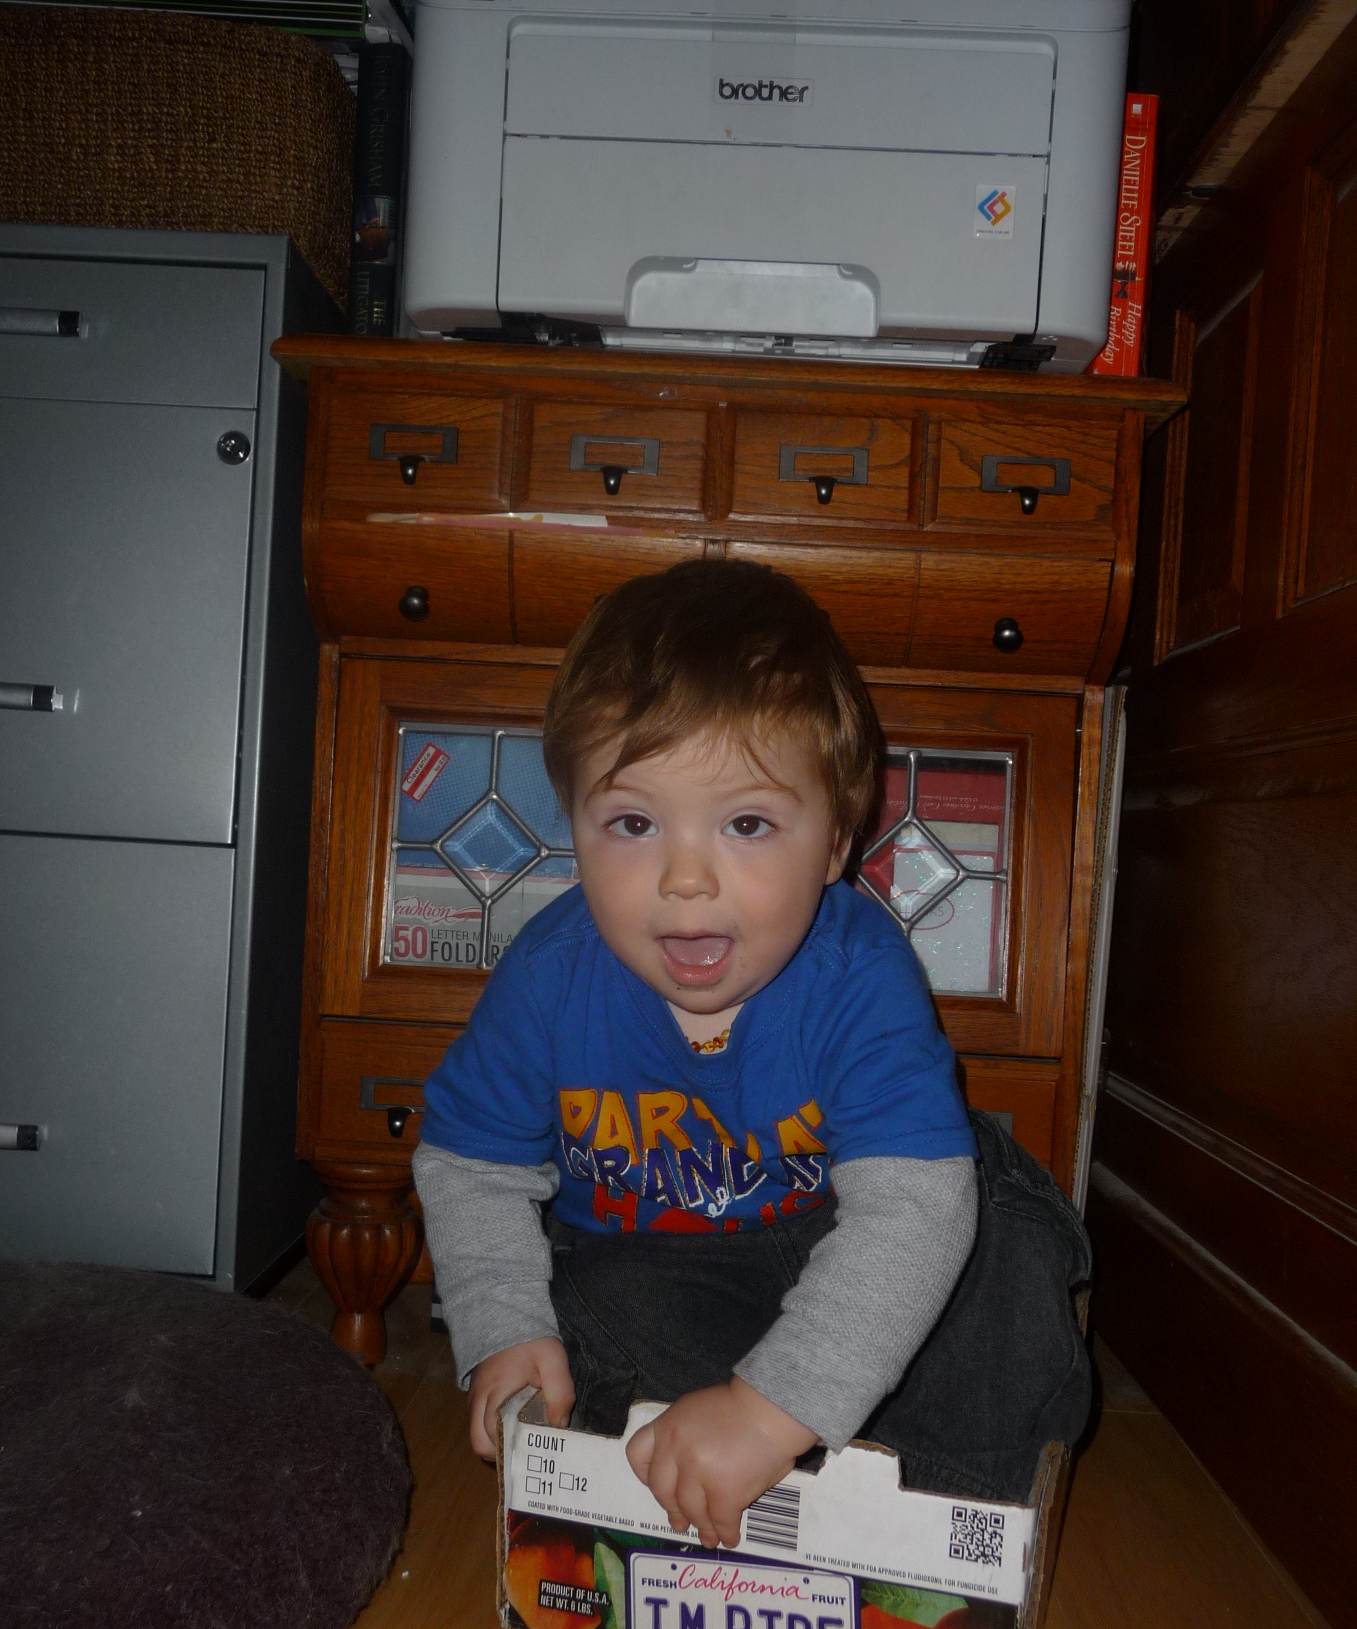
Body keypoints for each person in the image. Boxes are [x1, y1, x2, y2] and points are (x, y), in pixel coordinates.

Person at [411, 556, 996, 1549]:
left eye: (748, 823)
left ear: (835, 842)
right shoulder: (548, 975)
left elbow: (913, 1208)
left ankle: (870, 1463)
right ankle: (723, 1448)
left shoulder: (860, 972)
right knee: (588, 1308)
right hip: (656, 1269)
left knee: (998, 1235)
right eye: (633, 823)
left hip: (833, 1236)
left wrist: (775, 1406)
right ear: (573, 825)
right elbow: (472, 1166)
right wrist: (506, 1329)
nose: (685, 878)